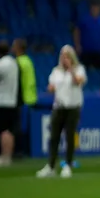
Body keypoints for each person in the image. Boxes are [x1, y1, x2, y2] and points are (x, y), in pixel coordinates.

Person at [40, 46, 86, 178]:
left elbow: (78, 82)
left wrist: (71, 70)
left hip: (72, 107)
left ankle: (68, 164)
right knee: (54, 136)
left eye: (66, 56)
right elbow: (51, 86)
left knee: (70, 137)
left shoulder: (79, 69)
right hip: (58, 107)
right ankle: (51, 165)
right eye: (62, 56)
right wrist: (50, 88)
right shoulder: (56, 71)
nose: (64, 59)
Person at [75, 3, 100, 73]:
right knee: (84, 70)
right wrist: (77, 44)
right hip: (85, 50)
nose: (95, 10)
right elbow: (77, 31)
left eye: (97, 8)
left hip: (99, 50)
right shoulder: (84, 19)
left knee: (98, 70)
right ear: (90, 8)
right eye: (94, 8)